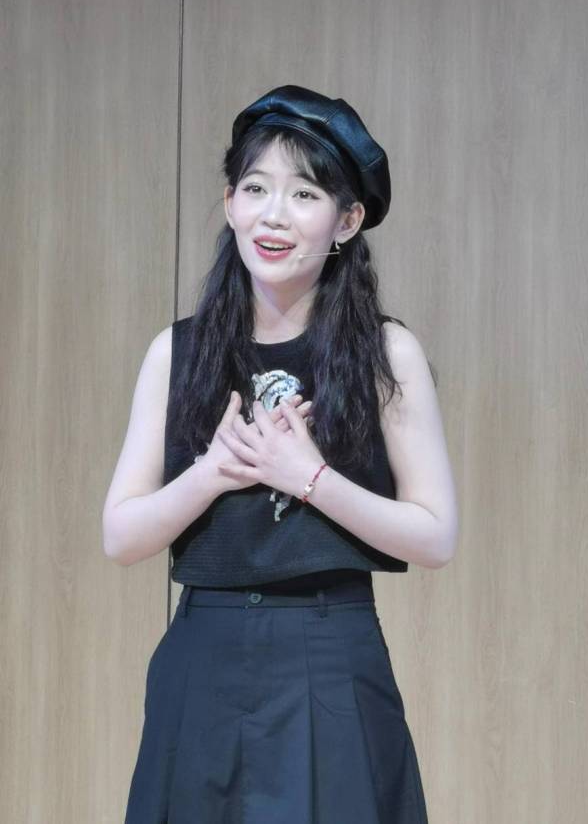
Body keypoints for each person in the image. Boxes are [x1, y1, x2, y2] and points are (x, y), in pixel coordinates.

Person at [103, 84, 458, 824]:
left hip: (330, 655)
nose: (274, 214)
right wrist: (211, 474)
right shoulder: (178, 352)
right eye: (256, 187)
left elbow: (435, 535)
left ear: (347, 220)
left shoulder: (386, 351)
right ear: (230, 202)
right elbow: (121, 536)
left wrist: (310, 478)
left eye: (304, 194)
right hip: (202, 653)